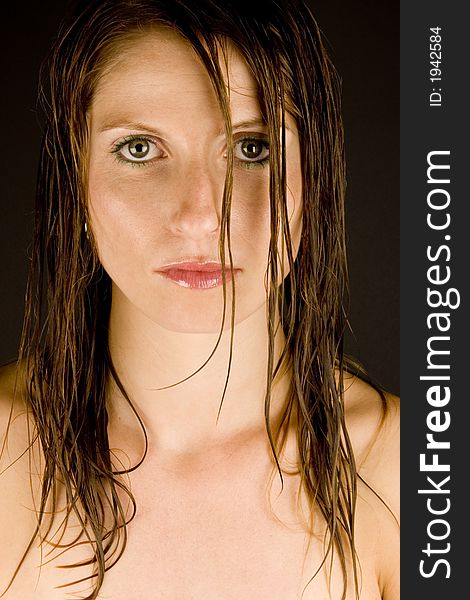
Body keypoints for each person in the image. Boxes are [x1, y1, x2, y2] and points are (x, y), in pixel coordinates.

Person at [0, 0, 399, 598]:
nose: (199, 217)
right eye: (139, 149)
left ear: (314, 179)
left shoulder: (411, 474)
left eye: (251, 148)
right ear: (73, 184)